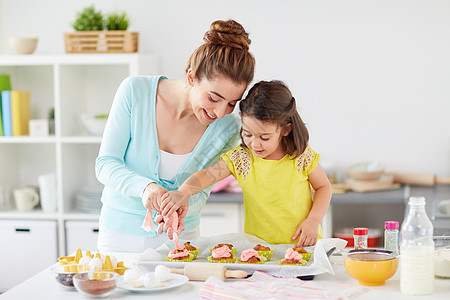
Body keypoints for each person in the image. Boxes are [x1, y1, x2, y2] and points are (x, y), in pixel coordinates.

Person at [95, 19, 255, 252]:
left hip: (183, 237)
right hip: (120, 235)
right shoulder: (134, 92)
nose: (221, 112)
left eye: (232, 103)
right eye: (213, 98)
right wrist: (146, 188)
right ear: (191, 77)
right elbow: (105, 165)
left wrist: (182, 203)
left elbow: (203, 188)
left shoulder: (228, 128)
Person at [161, 80, 332, 246]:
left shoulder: (301, 156)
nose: (255, 144)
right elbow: (206, 176)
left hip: (303, 247)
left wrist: (313, 220)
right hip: (259, 251)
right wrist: (183, 192)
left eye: (264, 137)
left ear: (285, 130)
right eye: (247, 134)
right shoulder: (242, 159)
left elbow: (324, 187)